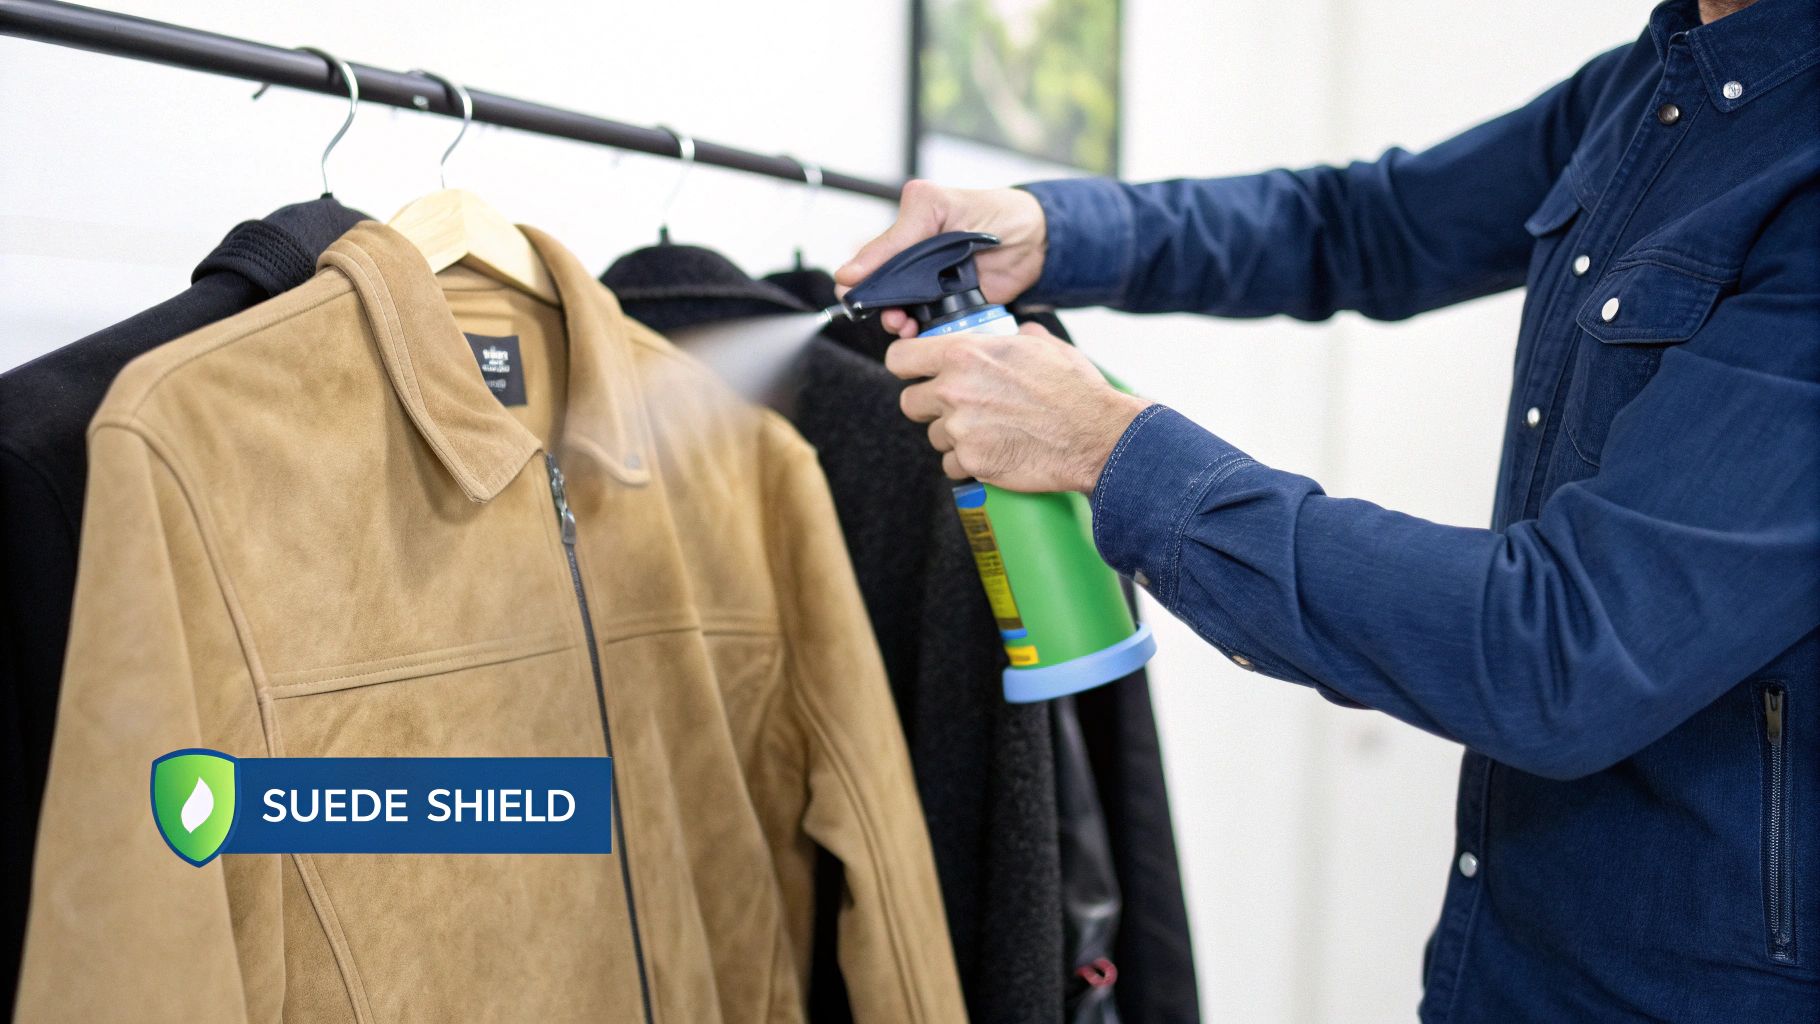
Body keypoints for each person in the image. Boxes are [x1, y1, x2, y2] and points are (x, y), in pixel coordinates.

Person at [835, 0, 1819, 1019]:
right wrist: (1054, 231)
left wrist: (1110, 449)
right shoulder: (1654, 80)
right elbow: (1363, 223)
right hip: (1498, 958)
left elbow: (1562, 648)